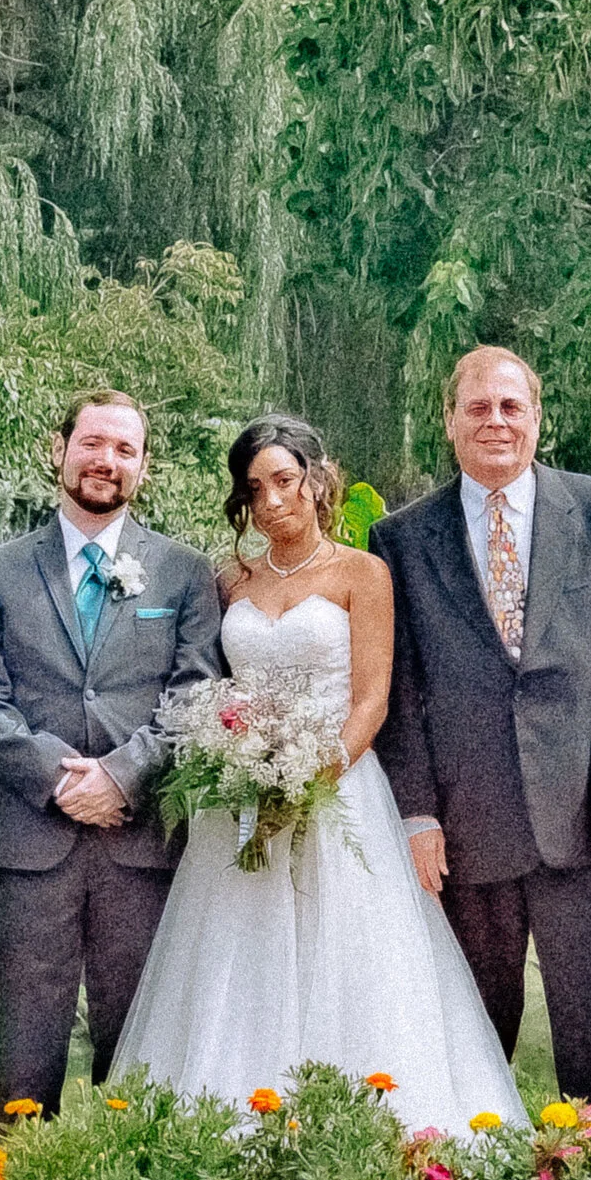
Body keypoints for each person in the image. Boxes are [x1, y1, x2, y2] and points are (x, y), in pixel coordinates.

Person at [108, 416, 525, 1130]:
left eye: (284, 480)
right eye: (254, 489)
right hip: (241, 799)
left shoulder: (363, 573)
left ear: (317, 478)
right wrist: (239, 763)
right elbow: (217, 688)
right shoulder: (231, 579)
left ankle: (359, 1131)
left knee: (351, 968)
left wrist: (310, 773)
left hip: (339, 789)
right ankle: (231, 1119)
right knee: (239, 967)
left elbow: (372, 697)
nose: (272, 501)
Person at [371, 347, 591, 1104]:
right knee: (470, 1039)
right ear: (449, 420)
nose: (495, 421)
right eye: (478, 407)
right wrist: (416, 812)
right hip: (466, 831)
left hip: (586, 824)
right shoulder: (399, 540)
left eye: (511, 406)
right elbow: (399, 690)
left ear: (537, 416)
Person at [0, 390, 224, 1113]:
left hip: (141, 845)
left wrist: (123, 775)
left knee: (134, 1043)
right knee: (25, 1049)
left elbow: (195, 695)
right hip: (34, 840)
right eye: (93, 443)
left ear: (143, 466)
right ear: (59, 447)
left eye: (124, 449)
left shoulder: (183, 572)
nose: (106, 460)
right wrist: (60, 778)